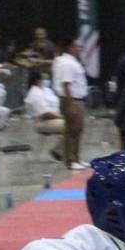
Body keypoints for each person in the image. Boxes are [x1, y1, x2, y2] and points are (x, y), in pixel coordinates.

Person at [52, 39, 89, 168]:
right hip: (72, 99)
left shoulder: (72, 61)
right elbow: (66, 84)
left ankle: (76, 158)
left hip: (78, 99)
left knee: (78, 130)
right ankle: (70, 161)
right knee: (71, 131)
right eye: (77, 47)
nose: (80, 49)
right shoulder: (67, 63)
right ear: (70, 48)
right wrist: (70, 104)